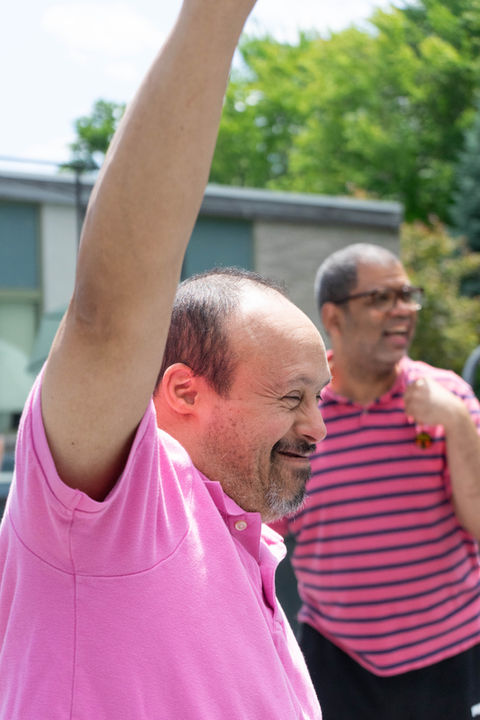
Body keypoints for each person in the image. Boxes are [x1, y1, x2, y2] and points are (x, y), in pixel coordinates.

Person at [0, 1, 330, 718]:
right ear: (183, 390)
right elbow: (110, 314)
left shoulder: (247, 539)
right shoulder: (116, 513)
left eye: (319, 398)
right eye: (291, 396)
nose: (316, 426)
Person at [276, 242, 480, 719]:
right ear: (334, 316)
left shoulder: (449, 397)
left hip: (452, 654)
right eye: (381, 298)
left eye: (407, 295)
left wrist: (456, 422)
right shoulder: (296, 413)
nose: (403, 309)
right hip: (339, 661)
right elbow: (261, 533)